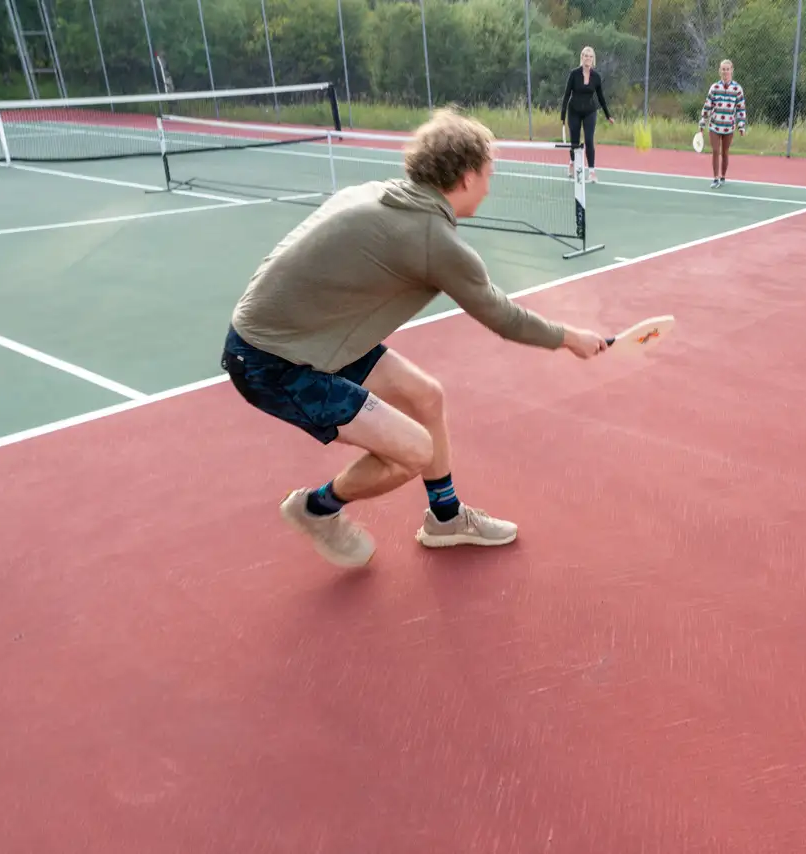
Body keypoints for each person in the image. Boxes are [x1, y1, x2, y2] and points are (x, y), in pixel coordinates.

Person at [220, 106, 610, 569]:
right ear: (465, 178)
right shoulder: (434, 241)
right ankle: (316, 509)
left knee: (425, 397)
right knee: (414, 450)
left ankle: (445, 519)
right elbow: (503, 317)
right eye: (488, 174)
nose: (489, 185)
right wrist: (571, 337)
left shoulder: (378, 193)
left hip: (301, 337)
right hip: (274, 361)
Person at [559, 45, 614, 183]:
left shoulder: (596, 77)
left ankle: (592, 172)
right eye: (585, 56)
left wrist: (608, 115)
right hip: (574, 111)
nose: (587, 59)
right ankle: (572, 163)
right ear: (581, 58)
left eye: (590, 56)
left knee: (589, 140)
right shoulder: (574, 74)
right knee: (575, 142)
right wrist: (562, 116)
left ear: (593, 59)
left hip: (590, 111)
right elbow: (566, 95)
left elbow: (601, 97)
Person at [698, 59, 747, 189]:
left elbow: (741, 108)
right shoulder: (714, 87)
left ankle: (723, 176)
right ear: (720, 71)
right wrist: (702, 122)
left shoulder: (737, 89)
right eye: (723, 69)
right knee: (715, 151)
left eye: (727, 69)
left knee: (725, 152)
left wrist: (741, 125)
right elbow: (707, 106)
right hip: (714, 125)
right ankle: (715, 178)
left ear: (732, 71)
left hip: (729, 127)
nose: (725, 72)